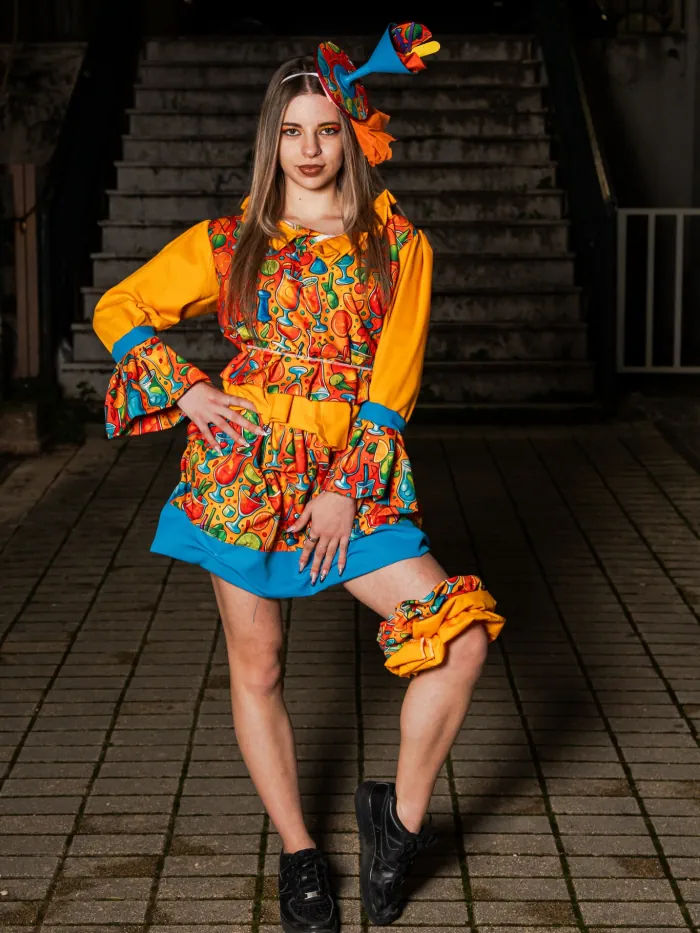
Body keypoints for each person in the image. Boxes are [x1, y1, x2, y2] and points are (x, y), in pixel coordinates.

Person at [93, 23, 505, 933]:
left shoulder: (397, 244)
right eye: (291, 132)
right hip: (242, 475)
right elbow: (120, 306)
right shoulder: (231, 238)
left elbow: (392, 389)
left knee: (462, 637)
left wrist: (346, 488)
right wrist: (188, 388)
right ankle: (299, 853)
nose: (310, 149)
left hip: (348, 479)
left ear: (351, 137)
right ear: (270, 140)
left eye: (326, 130)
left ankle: (397, 823)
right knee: (261, 663)